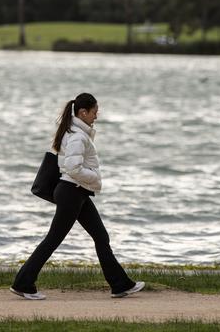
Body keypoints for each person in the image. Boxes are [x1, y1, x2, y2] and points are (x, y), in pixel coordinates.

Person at [11, 93, 145, 300]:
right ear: (83, 112)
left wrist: (89, 181)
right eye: (94, 112)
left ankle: (120, 285)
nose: (96, 116)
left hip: (77, 192)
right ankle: (23, 283)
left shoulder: (75, 132)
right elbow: (73, 168)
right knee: (53, 239)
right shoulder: (78, 136)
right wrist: (94, 177)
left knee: (101, 237)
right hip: (71, 192)